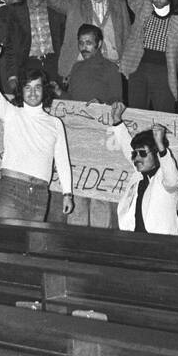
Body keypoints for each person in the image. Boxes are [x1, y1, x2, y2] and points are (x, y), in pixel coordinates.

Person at [0, 45, 74, 222]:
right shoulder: (11, 113)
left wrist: (67, 193)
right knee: (6, 247)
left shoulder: (55, 123)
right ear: (21, 90)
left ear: (44, 90)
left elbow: (62, 160)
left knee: (32, 248)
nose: (33, 92)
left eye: (37, 87)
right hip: (11, 190)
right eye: (28, 87)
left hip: (40, 195)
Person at [60, 24, 124, 228]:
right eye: (81, 42)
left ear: (99, 44)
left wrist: (103, 104)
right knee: (77, 186)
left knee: (99, 192)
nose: (84, 47)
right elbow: (71, 101)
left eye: (89, 43)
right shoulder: (76, 67)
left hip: (100, 139)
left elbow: (118, 102)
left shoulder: (111, 68)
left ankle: (98, 241)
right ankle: (74, 243)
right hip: (77, 138)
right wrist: (58, 94)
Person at [107, 102, 178, 235]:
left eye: (142, 153)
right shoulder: (138, 176)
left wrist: (160, 146)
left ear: (156, 154)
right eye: (135, 154)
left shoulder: (164, 179)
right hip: (134, 240)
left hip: (163, 246)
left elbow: (173, 180)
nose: (137, 158)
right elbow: (126, 145)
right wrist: (117, 120)